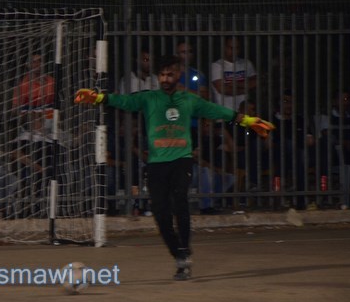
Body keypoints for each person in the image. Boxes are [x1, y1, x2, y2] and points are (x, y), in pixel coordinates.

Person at [75, 54, 273, 281]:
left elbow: (218, 111)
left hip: (181, 160)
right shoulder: (149, 98)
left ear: (178, 74)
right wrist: (97, 97)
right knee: (161, 214)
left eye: (170, 74)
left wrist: (249, 122)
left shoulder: (189, 100)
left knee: (180, 203)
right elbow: (123, 101)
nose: (165, 78)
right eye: (162, 74)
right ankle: (179, 254)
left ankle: (185, 253)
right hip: (157, 163)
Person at [211, 36, 257, 111]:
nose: (234, 51)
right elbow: (224, 90)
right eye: (231, 48)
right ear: (224, 48)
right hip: (225, 114)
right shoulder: (216, 66)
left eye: (237, 48)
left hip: (245, 115)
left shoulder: (247, 63)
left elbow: (255, 83)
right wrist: (245, 89)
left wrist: (234, 84)